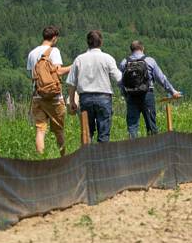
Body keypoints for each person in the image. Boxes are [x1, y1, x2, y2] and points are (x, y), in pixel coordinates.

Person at [67, 30, 123, 143]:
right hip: (104, 98)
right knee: (104, 132)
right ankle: (102, 158)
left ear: (87, 42)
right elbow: (119, 78)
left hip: (85, 98)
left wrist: (72, 101)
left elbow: (72, 83)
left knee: (87, 132)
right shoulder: (108, 58)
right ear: (101, 42)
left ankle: (89, 157)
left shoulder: (79, 59)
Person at [119, 40, 181, 139]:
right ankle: (153, 149)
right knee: (151, 124)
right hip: (147, 95)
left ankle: (132, 148)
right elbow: (161, 78)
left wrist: (125, 95)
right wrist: (172, 91)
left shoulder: (124, 62)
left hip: (131, 96)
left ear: (131, 50)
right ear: (142, 48)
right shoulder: (149, 60)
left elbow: (121, 82)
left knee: (132, 126)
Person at [26, 25, 71, 155]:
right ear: (54, 38)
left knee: (40, 130)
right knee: (59, 130)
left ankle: (41, 159)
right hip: (54, 98)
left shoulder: (32, 53)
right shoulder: (54, 51)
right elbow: (58, 71)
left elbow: (32, 75)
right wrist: (74, 66)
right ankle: (63, 159)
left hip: (38, 96)